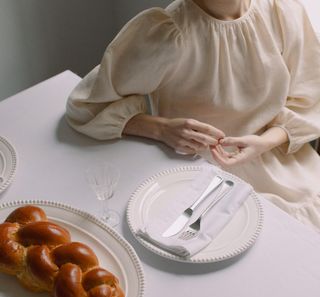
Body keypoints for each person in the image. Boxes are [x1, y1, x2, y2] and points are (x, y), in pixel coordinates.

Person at [66, 0, 320, 231]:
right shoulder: (166, 32)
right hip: (199, 179)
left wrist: (265, 142)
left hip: (286, 168)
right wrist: (160, 129)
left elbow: (309, 97)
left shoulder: (282, 12)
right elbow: (87, 105)